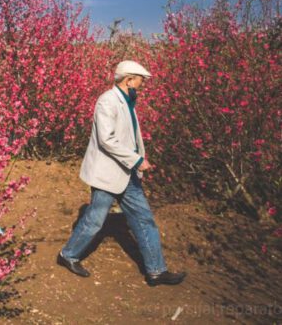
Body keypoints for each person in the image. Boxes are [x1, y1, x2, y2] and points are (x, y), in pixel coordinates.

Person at [57, 60, 186, 286]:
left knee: (144, 219)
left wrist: (134, 161)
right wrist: (137, 160)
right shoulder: (107, 101)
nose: (143, 84)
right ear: (129, 80)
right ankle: (68, 255)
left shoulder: (127, 101)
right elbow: (107, 140)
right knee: (95, 220)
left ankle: (156, 271)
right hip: (108, 173)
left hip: (127, 173)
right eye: (141, 80)